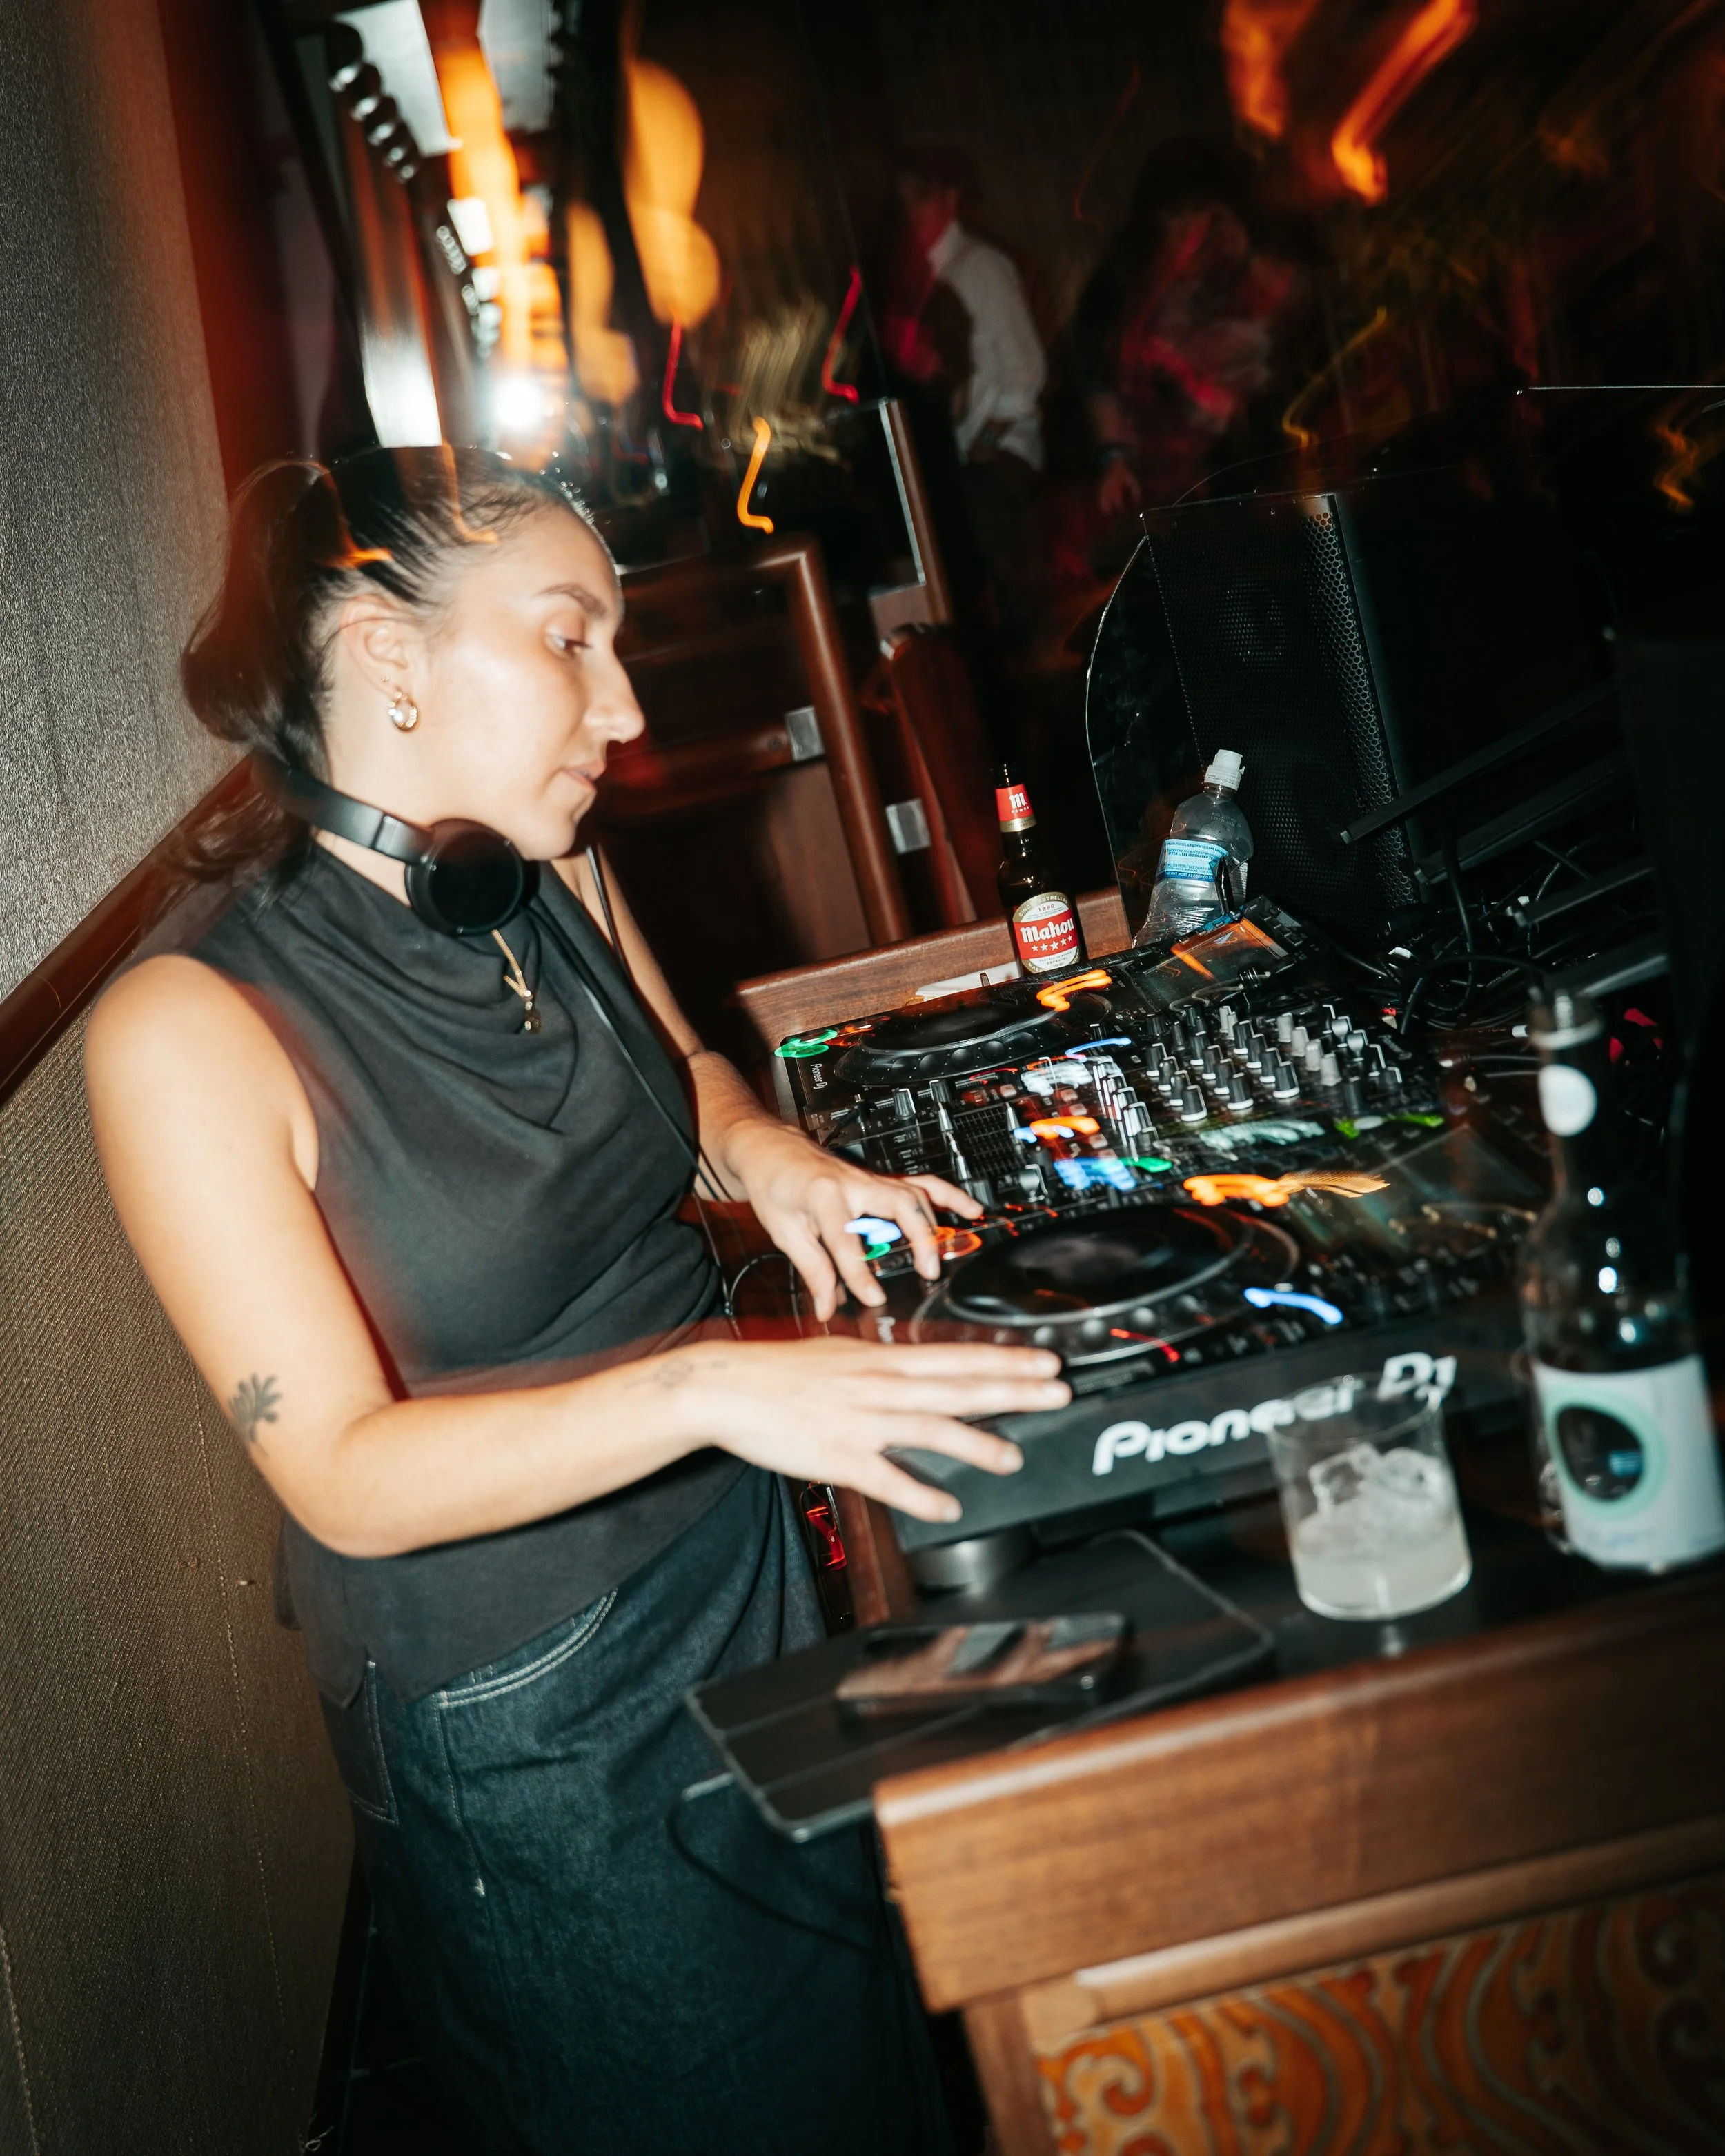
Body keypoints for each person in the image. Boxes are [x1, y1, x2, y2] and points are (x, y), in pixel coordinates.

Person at [84, 448, 1069, 2154]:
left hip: (735, 1555)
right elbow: (338, 1468)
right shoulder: (182, 1033)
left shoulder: (546, 867)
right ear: (391, 660)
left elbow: (684, 1065)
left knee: (856, 2066)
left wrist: (770, 1159)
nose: (618, 708)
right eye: (569, 641)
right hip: (527, 1713)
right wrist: (710, 1383)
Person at [887, 146, 1049, 650]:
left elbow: (1028, 372)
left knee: (978, 527)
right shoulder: (923, 278)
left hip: (1001, 449)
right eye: (905, 204)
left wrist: (985, 438)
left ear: (950, 201)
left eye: (922, 201)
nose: (913, 215)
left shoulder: (980, 267)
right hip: (961, 450)